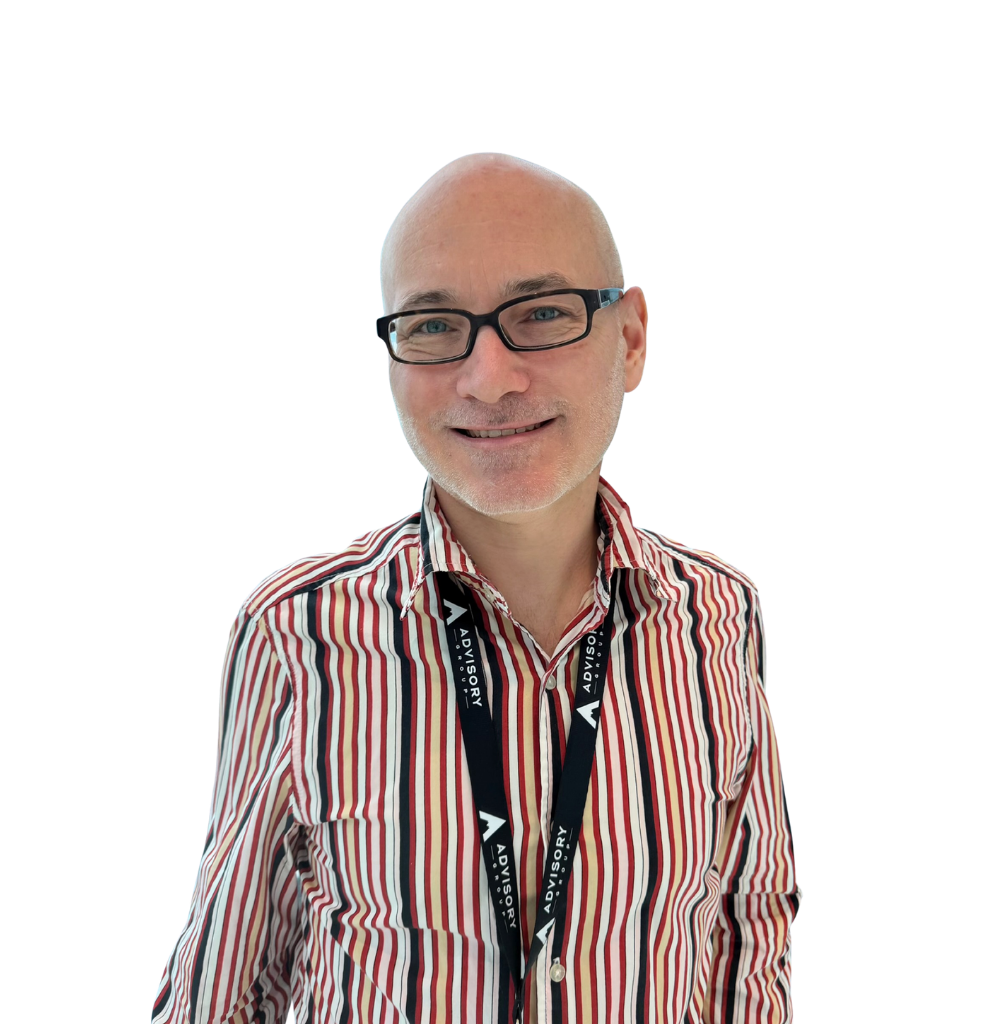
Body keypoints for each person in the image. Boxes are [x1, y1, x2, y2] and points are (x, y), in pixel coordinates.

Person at [152, 152, 801, 1024]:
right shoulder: (296, 628)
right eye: (432, 325)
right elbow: (226, 984)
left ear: (632, 338)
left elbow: (748, 940)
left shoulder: (721, 610)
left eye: (542, 313)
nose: (489, 377)